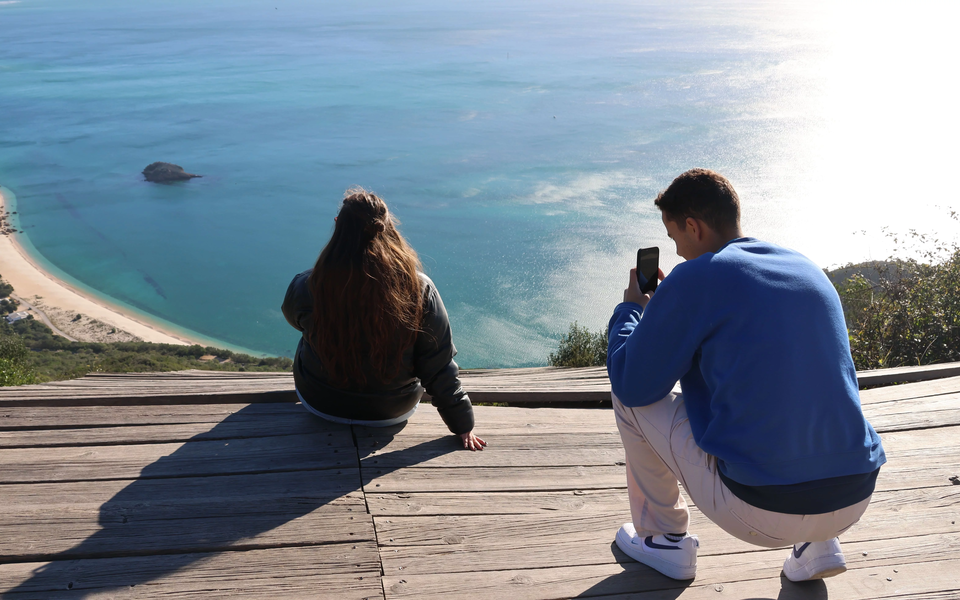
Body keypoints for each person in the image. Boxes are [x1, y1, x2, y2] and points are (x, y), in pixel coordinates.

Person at [606, 169, 885, 581]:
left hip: (761, 509)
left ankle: (664, 539)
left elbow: (633, 381)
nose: (679, 252)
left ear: (692, 226)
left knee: (627, 397)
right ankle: (817, 543)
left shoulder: (696, 276)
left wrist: (631, 310)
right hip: (855, 495)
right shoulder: (806, 269)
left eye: (676, 238)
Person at [282, 188, 485, 450]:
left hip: (321, 403)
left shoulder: (308, 285)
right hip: (390, 412)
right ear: (388, 228)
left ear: (337, 226)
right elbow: (438, 366)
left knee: (308, 337)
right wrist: (463, 424)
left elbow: (294, 319)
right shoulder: (418, 288)